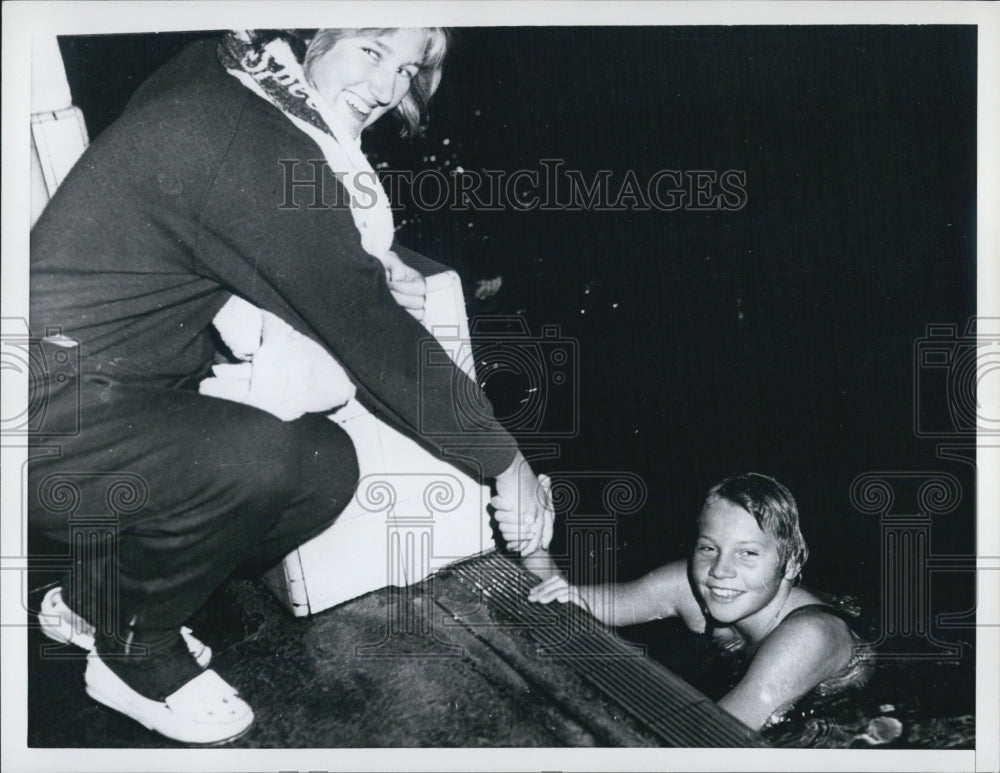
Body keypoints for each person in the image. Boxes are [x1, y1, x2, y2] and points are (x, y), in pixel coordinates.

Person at [29, 28, 552, 744]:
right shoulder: (251, 144)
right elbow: (377, 338)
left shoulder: (226, 69)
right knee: (263, 460)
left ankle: (100, 600)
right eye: (371, 50)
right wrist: (509, 465)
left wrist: (355, 263)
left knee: (321, 463)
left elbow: (259, 237)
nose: (387, 88)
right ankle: (133, 655)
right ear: (309, 32)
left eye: (407, 69)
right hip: (38, 417)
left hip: (104, 391)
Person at [525, 473, 872, 731]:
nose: (720, 570)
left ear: (791, 564)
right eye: (709, 548)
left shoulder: (810, 637)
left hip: (844, 720)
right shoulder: (691, 585)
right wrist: (534, 538)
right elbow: (567, 607)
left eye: (747, 553)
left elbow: (715, 739)